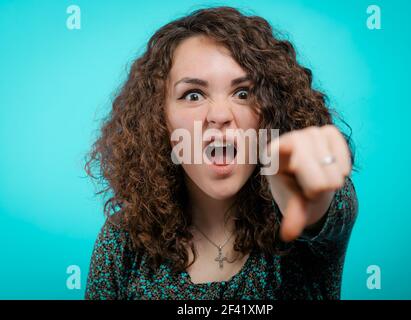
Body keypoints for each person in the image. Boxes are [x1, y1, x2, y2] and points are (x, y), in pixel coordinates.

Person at [84, 6, 358, 300]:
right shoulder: (122, 240)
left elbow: (326, 209)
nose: (219, 114)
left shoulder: (302, 240)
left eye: (243, 93)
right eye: (193, 94)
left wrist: (309, 195)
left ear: (271, 113)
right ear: (158, 118)